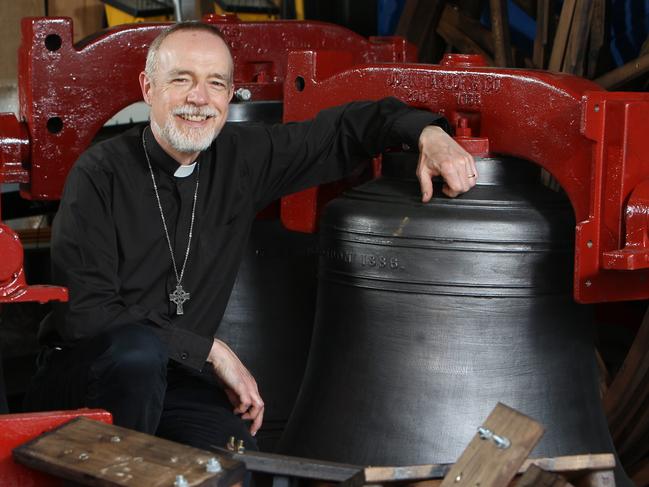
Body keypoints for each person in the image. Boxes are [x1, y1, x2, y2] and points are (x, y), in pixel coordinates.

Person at [24, 22, 477, 451]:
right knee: (136, 354)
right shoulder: (99, 174)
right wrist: (210, 350)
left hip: (175, 376)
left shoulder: (240, 158)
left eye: (216, 83)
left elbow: (341, 132)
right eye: (182, 79)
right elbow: (87, 316)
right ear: (148, 88)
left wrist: (427, 133)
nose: (199, 99)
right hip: (86, 375)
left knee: (230, 456)